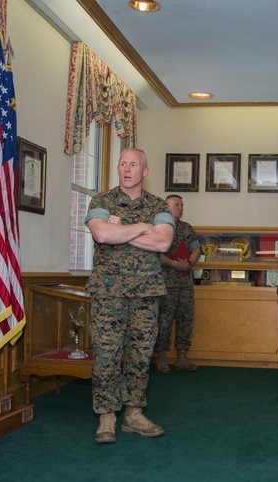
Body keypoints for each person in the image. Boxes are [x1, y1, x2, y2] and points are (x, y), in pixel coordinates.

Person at [85, 148, 175, 444]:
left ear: (144, 171)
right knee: (106, 356)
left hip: (146, 296)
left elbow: (162, 243)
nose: (126, 169)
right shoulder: (101, 201)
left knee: (140, 356)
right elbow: (101, 235)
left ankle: (134, 414)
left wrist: (120, 228)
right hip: (108, 294)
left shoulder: (160, 205)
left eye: (133, 164)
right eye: (122, 163)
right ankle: (107, 416)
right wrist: (140, 229)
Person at [155, 194, 202, 374]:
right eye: (177, 204)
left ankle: (182, 357)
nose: (181, 207)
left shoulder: (187, 228)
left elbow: (197, 249)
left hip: (185, 283)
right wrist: (175, 264)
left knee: (186, 320)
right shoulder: (159, 228)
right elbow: (157, 254)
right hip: (166, 284)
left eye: (182, 204)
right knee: (164, 321)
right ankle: (161, 358)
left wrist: (189, 263)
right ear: (167, 207)